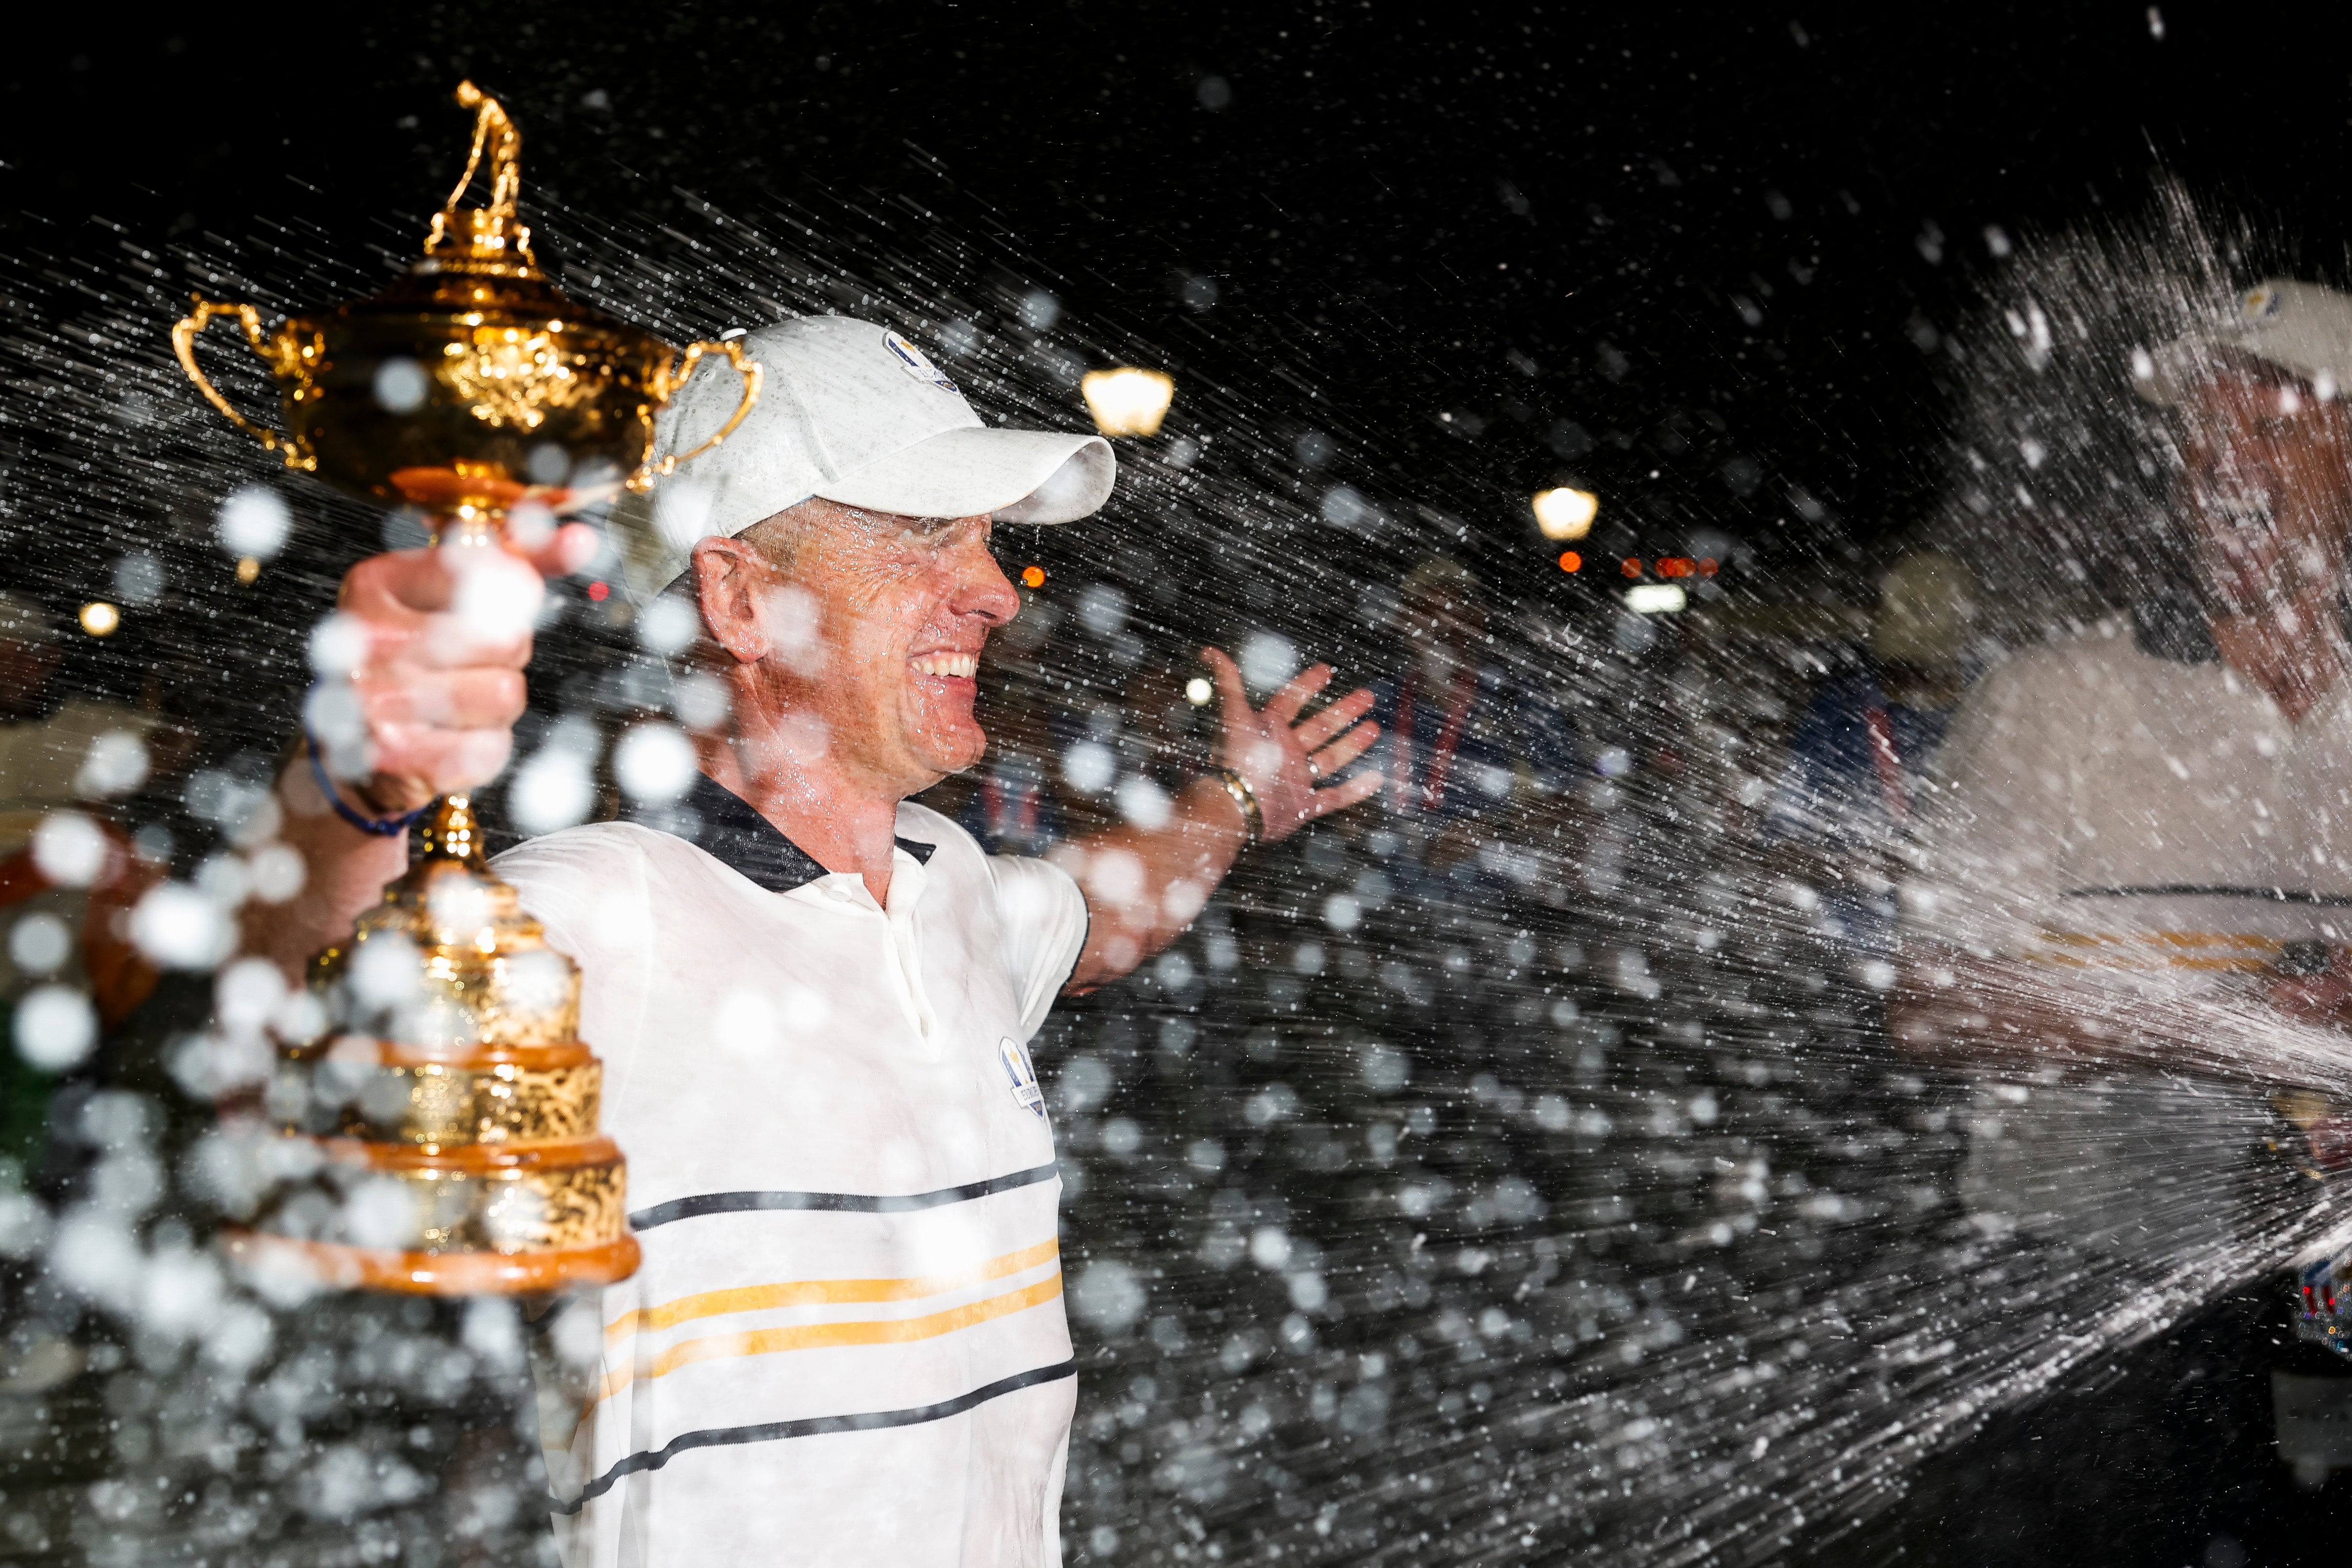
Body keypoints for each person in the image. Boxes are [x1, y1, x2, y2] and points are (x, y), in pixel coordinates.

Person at [248, 314, 1383, 1567]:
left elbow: (1101, 909)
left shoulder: (946, 880)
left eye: (988, 539)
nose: (996, 591)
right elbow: (310, 1036)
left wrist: (1236, 797)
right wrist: (356, 788)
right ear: (739, 598)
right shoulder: (609, 904)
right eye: (922, 534)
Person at [1891, 278, 2352, 1515]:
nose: (2218, 467)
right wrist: (2222, 1026)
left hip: (2324, 1288)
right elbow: (1930, 1002)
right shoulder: (2050, 698)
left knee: (2301, 1518)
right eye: (2197, 435)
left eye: (2266, 426)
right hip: (2085, 1273)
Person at [1765, 549, 1978, 966]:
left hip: (1956, 961)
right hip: (1854, 961)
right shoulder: (1839, 711)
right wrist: (1862, 867)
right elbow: (1781, 849)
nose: (1922, 676)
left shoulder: (1991, 702)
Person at [1363, 559, 1578, 879]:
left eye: (1455, 611)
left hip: (1492, 907)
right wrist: (1357, 818)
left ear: (1478, 623)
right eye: (1425, 610)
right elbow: (1339, 795)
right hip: (1381, 901)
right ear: (1402, 621)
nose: (1441, 626)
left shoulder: (1517, 701)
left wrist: (1495, 828)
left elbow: (1574, 801)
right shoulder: (1376, 703)